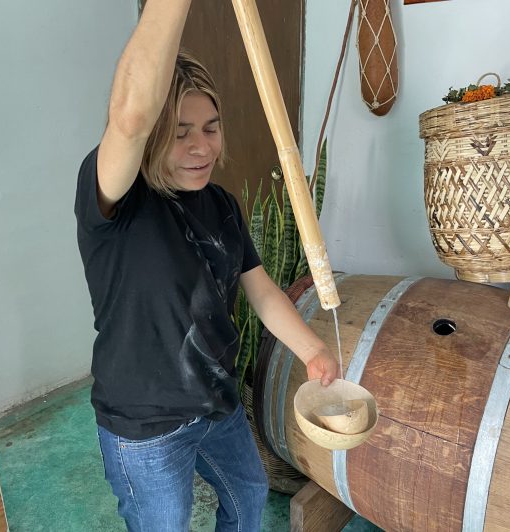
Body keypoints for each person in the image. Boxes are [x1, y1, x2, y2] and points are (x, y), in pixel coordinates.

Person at [73, 1, 338, 530]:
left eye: (211, 128)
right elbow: (129, 116)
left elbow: (259, 288)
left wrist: (311, 350)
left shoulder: (222, 204)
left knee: (247, 496)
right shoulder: (116, 202)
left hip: (217, 403)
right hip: (146, 425)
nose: (201, 147)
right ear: (151, 136)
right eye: (179, 132)